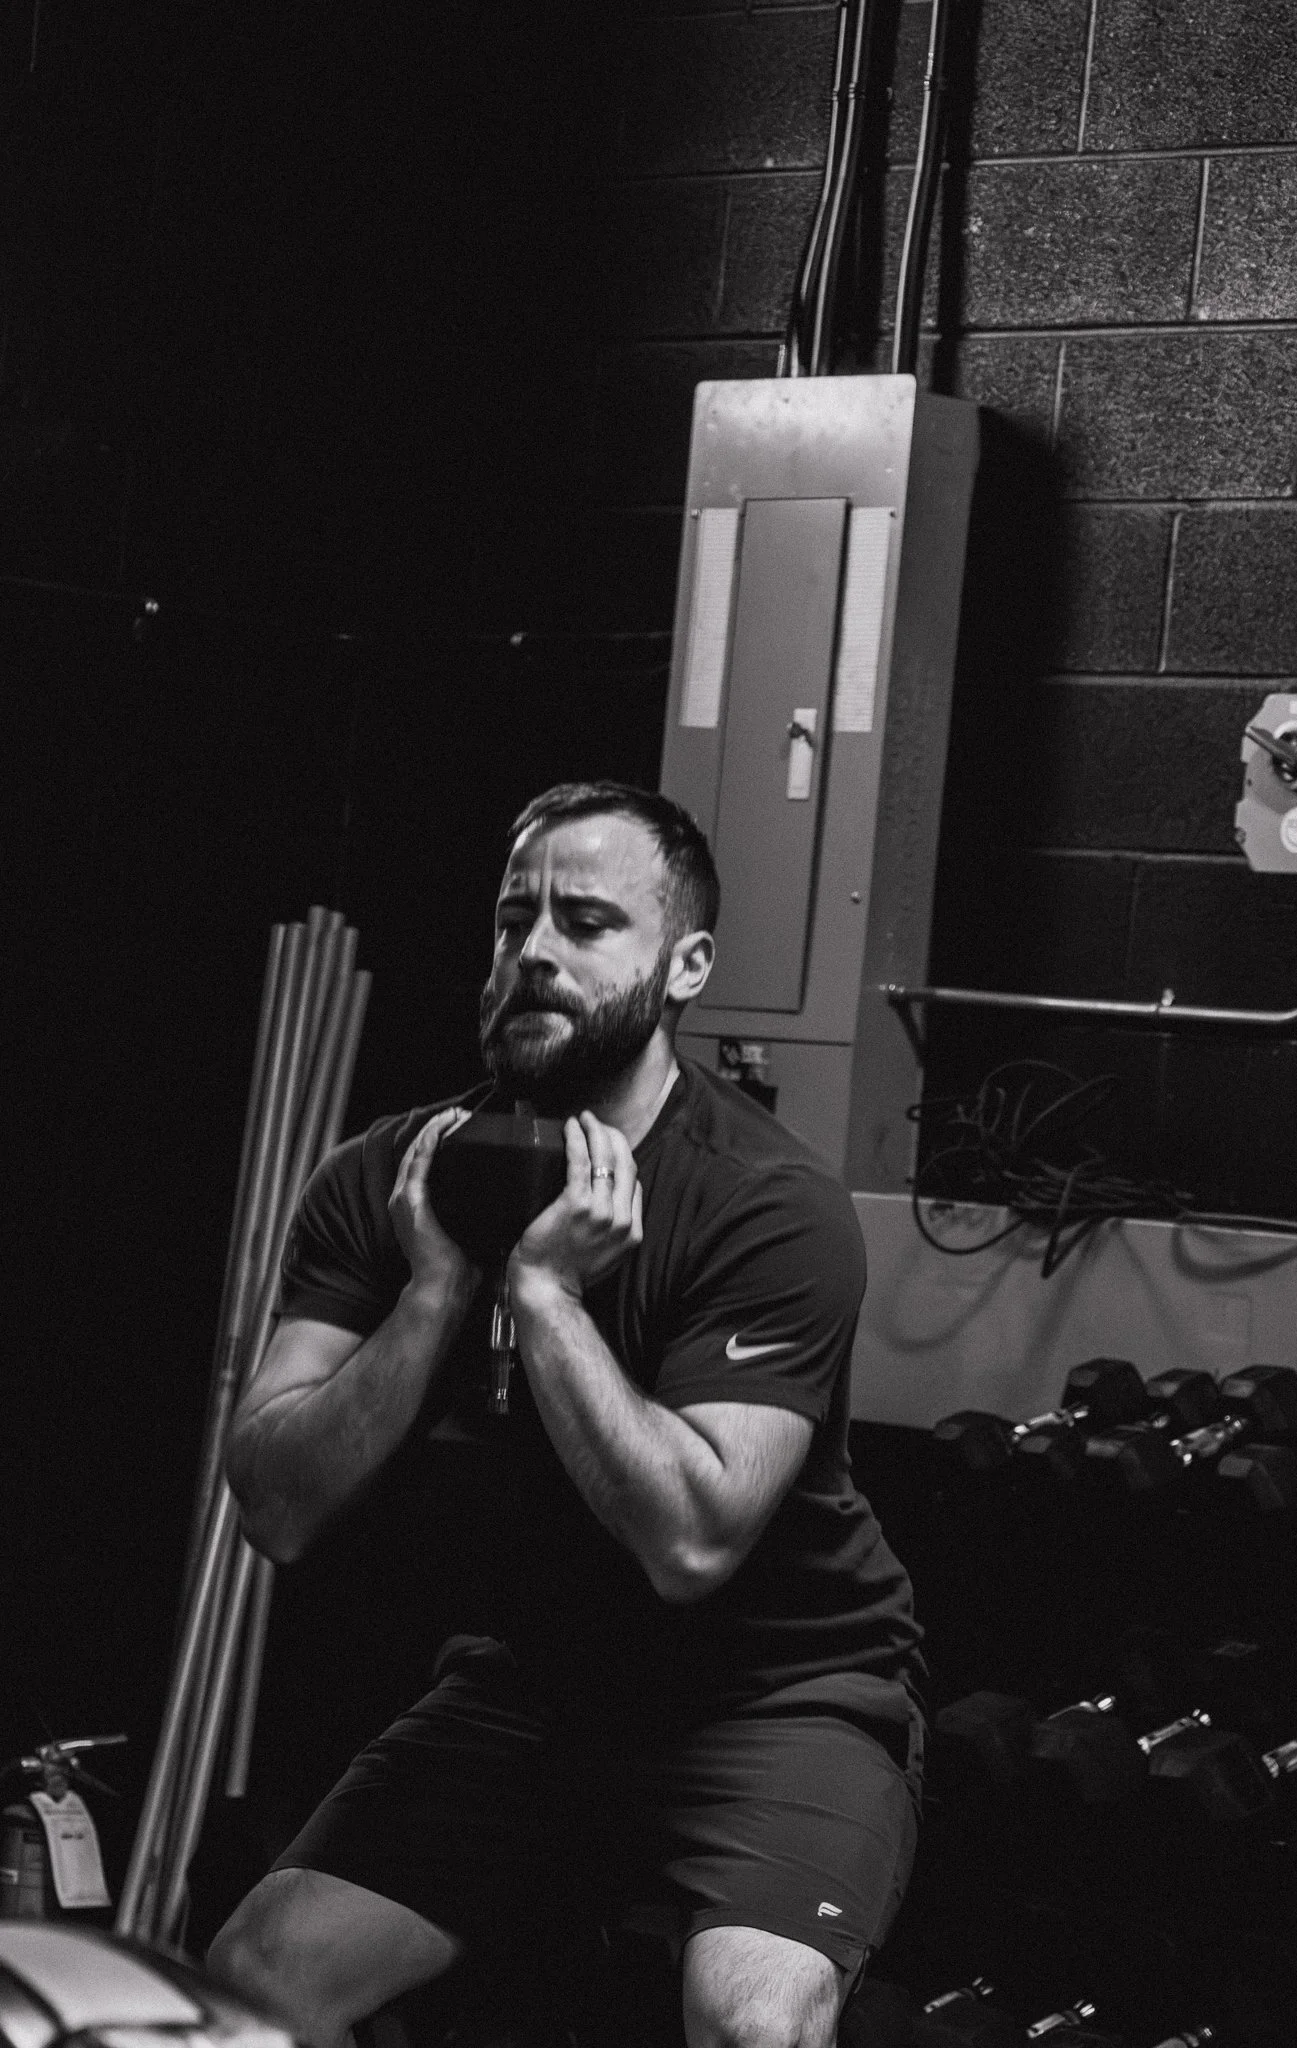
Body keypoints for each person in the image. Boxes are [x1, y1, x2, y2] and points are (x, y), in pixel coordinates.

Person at [208, 781, 926, 2048]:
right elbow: (273, 1500)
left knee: (757, 2022)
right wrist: (435, 1287)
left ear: (687, 963)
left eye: (587, 921)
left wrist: (542, 1290)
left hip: (776, 1696)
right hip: (533, 1690)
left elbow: (694, 1538)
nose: (534, 949)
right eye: (513, 919)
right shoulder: (387, 1177)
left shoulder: (766, 1204)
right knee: (258, 1976)